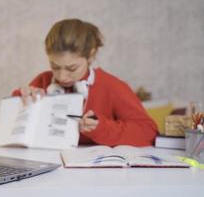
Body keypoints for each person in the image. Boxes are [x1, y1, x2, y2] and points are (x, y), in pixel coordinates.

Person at [12, 18, 158, 147]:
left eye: (72, 68)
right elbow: (13, 124)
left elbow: (148, 131)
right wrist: (21, 98)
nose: (62, 77)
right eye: (55, 66)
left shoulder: (112, 86)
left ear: (91, 56)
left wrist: (101, 128)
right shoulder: (43, 80)